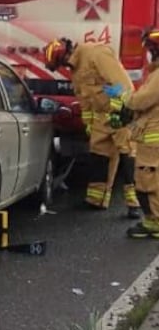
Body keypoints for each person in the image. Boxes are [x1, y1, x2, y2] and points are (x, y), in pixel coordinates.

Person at [44, 38, 141, 218]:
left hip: (119, 115)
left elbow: (121, 83)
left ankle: (134, 204)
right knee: (99, 157)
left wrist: (125, 109)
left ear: (66, 54)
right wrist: (89, 123)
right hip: (100, 120)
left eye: (61, 62)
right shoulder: (76, 69)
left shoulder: (96, 53)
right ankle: (97, 200)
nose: (64, 66)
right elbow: (84, 99)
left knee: (128, 155)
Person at [104, 28, 159, 237]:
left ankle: (155, 223)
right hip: (148, 137)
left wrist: (123, 97)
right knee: (148, 181)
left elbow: (141, 100)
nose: (147, 54)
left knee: (148, 183)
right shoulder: (155, 74)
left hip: (153, 141)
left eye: (150, 49)